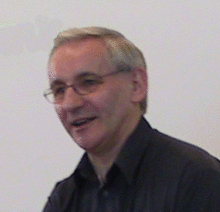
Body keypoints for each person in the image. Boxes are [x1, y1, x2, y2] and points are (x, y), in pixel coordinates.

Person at [43, 26, 220, 212]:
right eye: (59, 90)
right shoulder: (65, 199)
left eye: (88, 82)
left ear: (137, 85)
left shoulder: (196, 179)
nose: (70, 104)